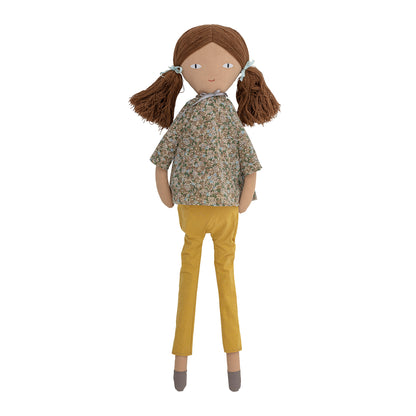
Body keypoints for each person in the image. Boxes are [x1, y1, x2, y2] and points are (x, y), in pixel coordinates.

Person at [130, 24, 280, 391]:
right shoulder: (204, 115)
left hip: (215, 208)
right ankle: (211, 364)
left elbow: (247, 161)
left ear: (239, 70)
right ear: (182, 70)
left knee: (203, 278)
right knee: (210, 278)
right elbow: (164, 158)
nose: (212, 73)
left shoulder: (216, 116)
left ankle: (207, 364)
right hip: (210, 208)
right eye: (197, 67)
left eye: (226, 67)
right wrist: (164, 187)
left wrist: (245, 191)